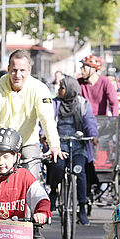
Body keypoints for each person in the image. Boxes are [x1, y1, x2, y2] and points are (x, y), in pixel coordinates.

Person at [0, 49, 62, 179]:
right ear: (8, 69)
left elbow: (47, 119)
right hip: (0, 144)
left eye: (22, 70)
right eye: (14, 70)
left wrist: (54, 145)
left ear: (29, 70)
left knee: (31, 183)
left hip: (27, 143)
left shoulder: (39, 89)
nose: (18, 74)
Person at [47, 76, 98, 226]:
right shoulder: (55, 103)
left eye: (62, 87)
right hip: (58, 144)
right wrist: (44, 136)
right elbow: (47, 120)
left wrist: (93, 135)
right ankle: (54, 191)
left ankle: (82, 208)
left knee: (79, 171)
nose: (59, 90)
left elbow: (90, 121)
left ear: (70, 89)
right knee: (57, 166)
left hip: (78, 144)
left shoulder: (83, 104)